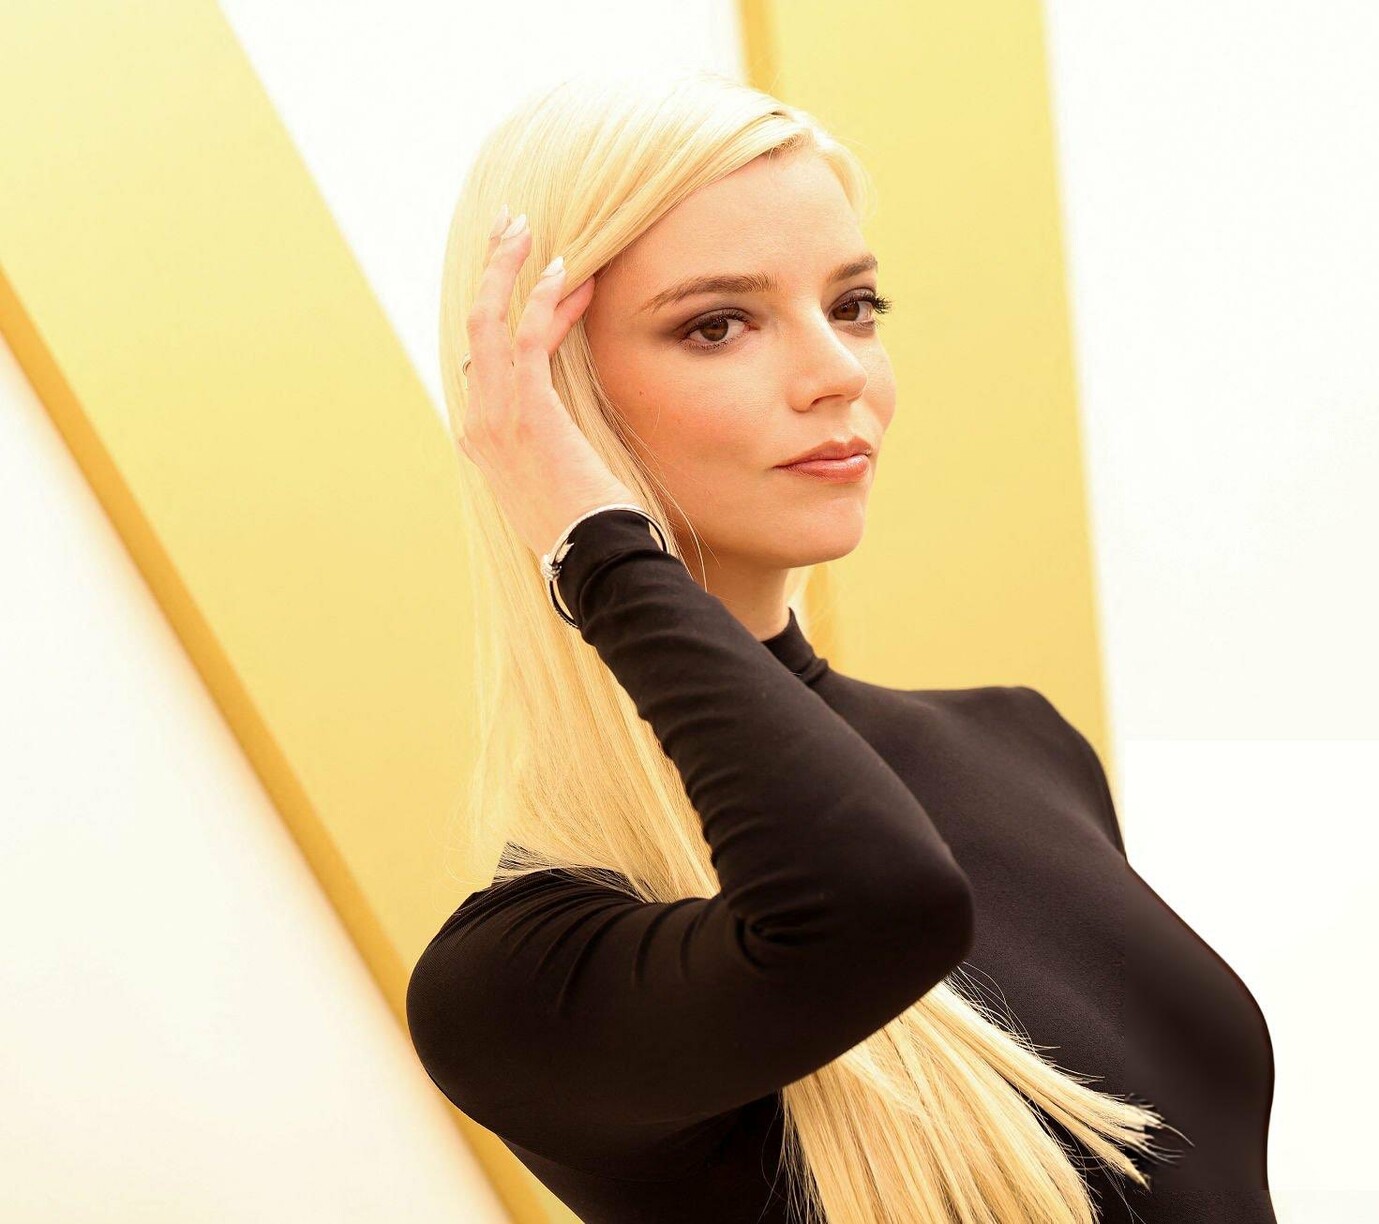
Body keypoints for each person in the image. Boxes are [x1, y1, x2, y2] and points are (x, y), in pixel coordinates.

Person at [404, 71, 1277, 1223]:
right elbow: (874, 908)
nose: (838, 374)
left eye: (854, 306)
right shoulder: (518, 984)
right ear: (551, 399)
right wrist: (591, 542)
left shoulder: (1020, 744)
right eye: (718, 325)